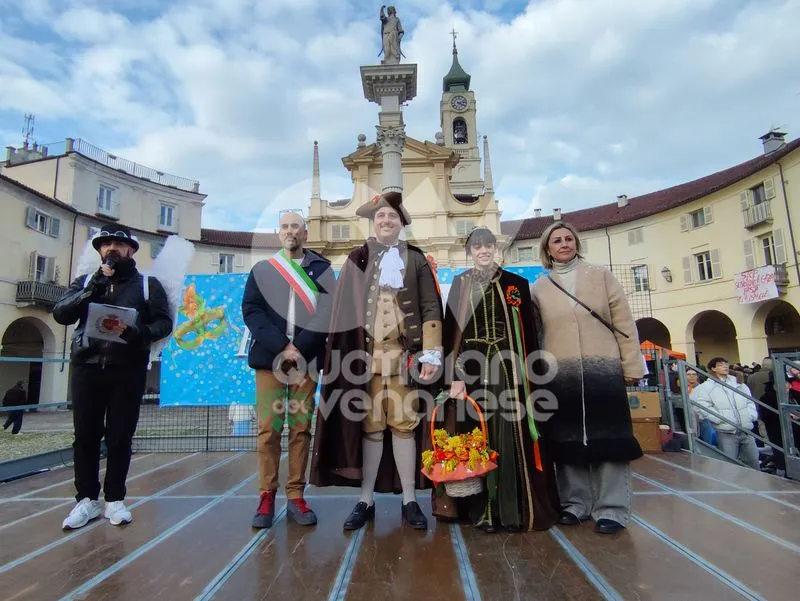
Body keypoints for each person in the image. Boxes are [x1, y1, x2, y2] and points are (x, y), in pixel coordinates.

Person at [310, 191, 443, 531]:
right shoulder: (358, 257)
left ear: (401, 224)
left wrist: (431, 352)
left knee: (404, 426)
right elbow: (343, 310)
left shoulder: (415, 260)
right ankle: (365, 499)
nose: (386, 221)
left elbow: (430, 306)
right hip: (365, 360)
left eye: (392, 218)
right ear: (374, 222)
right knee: (370, 428)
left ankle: (410, 500)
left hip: (404, 359)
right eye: (380, 217)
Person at [431, 227, 560, 532]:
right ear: (470, 251)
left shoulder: (516, 284)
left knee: (508, 434)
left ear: (496, 248)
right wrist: (454, 377)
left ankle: (511, 508)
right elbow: (453, 336)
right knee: (476, 435)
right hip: (471, 371)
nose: (483, 251)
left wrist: (527, 373)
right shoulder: (461, 284)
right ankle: (483, 509)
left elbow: (529, 333)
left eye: (488, 245)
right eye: (477, 246)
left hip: (506, 368)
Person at [53, 225, 172, 529]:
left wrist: (138, 333)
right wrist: (92, 287)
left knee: (119, 437)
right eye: (105, 244)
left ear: (131, 250)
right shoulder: (85, 281)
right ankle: (86, 500)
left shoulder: (147, 285)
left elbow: (164, 323)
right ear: (99, 251)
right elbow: (62, 314)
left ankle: (115, 499)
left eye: (119, 243)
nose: (112, 248)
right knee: (85, 437)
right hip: (87, 366)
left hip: (127, 369)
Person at [531, 221, 645, 534]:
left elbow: (624, 323)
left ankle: (612, 508)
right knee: (565, 438)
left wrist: (632, 366)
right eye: (557, 240)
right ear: (547, 248)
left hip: (603, 370)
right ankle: (574, 503)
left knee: (609, 437)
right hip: (560, 373)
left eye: (569, 238)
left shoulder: (601, 276)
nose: (564, 244)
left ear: (576, 243)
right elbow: (536, 334)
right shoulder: (539, 288)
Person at [241, 210, 335, 528]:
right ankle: (266, 496)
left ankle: (296, 494)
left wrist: (300, 347)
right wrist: (282, 346)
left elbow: (327, 312)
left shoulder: (321, 269)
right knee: (268, 428)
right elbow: (251, 310)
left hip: (306, 361)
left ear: (305, 232)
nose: (290, 231)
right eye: (285, 227)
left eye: (296, 226)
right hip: (270, 359)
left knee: (300, 427)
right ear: (277, 233)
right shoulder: (264, 270)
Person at [690, 357, 760, 469]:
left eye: (726, 364)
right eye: (721, 365)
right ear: (713, 368)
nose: (725, 366)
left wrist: (751, 415)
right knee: (730, 464)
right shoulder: (707, 387)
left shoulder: (738, 382)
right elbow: (702, 405)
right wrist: (719, 419)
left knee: (753, 461)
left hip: (746, 429)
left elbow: (749, 400)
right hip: (726, 431)